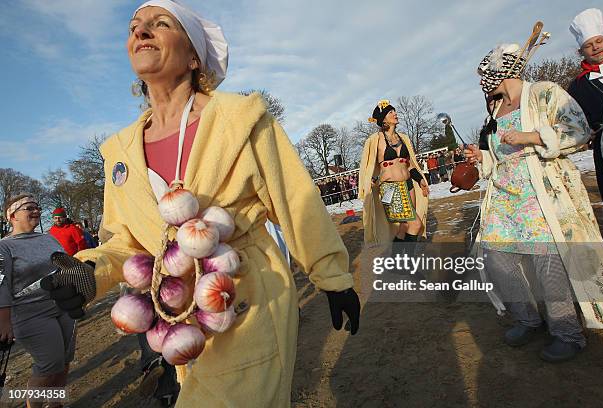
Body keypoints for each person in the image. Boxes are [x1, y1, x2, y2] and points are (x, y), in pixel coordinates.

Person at [40, 1, 360, 406]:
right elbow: (125, 241)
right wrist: (91, 270)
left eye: (159, 24)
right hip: (176, 315)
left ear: (194, 56)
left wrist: (332, 276)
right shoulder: (119, 152)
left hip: (244, 300)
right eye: (135, 26)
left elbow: (295, 199)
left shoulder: (240, 119)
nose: (141, 32)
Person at [465, 42, 603, 363]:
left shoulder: (544, 92)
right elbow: (496, 157)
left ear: (501, 71)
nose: (482, 82)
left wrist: (530, 137)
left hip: (540, 191)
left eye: (485, 75)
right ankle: (528, 318)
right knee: (497, 259)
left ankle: (566, 332)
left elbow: (579, 130)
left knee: (548, 261)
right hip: (503, 196)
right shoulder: (494, 109)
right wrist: (481, 156)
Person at [0, 194, 77, 408]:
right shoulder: (3, 247)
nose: (36, 211)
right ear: (12, 216)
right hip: (30, 313)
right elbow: (1, 285)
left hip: (63, 306)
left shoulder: (48, 238)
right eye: (29, 208)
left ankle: (56, 404)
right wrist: (4, 321)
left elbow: (64, 264)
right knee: (49, 364)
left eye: (37, 207)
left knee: (64, 361)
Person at [359, 100, 429, 246]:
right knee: (416, 225)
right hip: (391, 189)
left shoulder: (403, 138)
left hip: (408, 184)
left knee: (405, 226)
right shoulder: (375, 140)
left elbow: (410, 165)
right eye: (391, 112)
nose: (395, 114)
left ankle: (397, 261)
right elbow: (368, 165)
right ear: (384, 118)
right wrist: (368, 183)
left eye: (394, 111)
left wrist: (420, 180)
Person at [567, 8, 603, 213]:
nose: (595, 48)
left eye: (598, 42)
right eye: (588, 45)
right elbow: (576, 123)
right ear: (581, 51)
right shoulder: (577, 86)